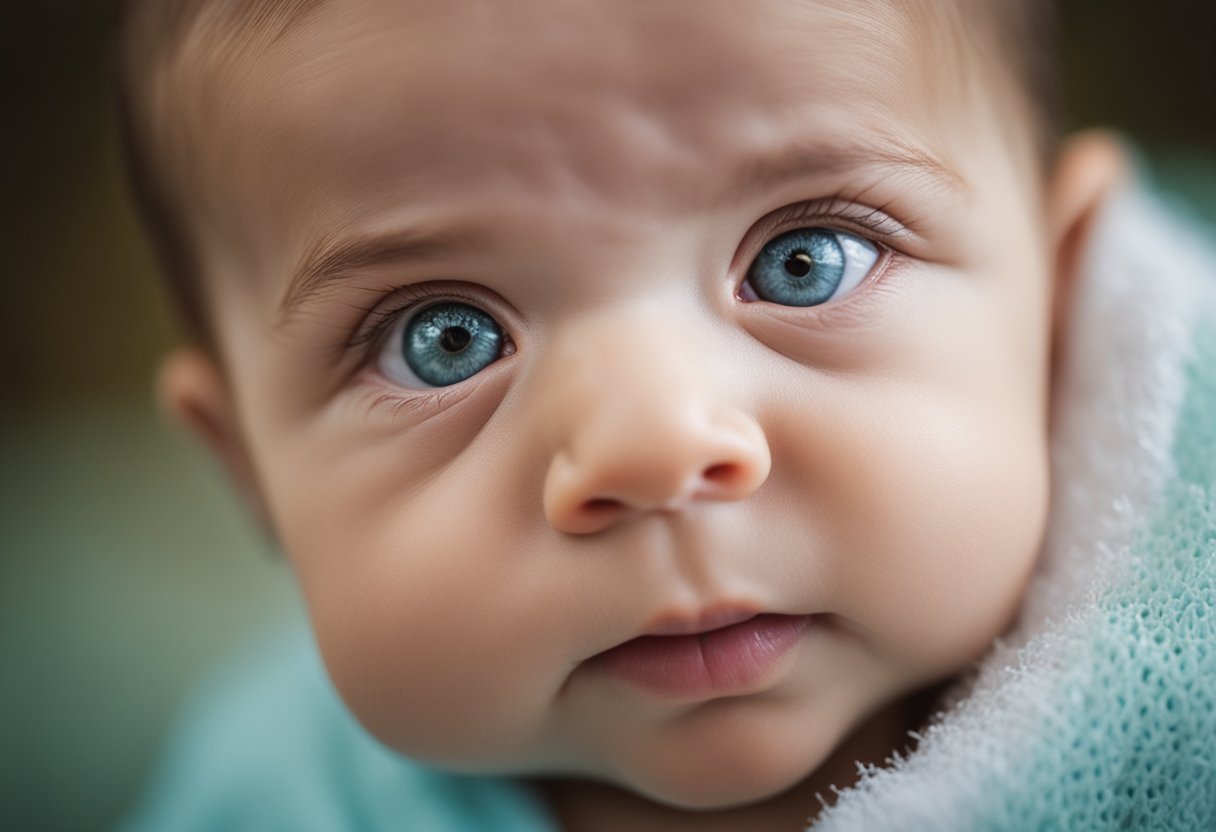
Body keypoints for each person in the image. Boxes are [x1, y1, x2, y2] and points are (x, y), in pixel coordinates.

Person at [114, 0, 1216, 829]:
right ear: (248, 467)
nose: (655, 448)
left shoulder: (1179, 707)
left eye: (802, 262)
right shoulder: (268, 796)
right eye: (443, 338)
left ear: (1062, 305)